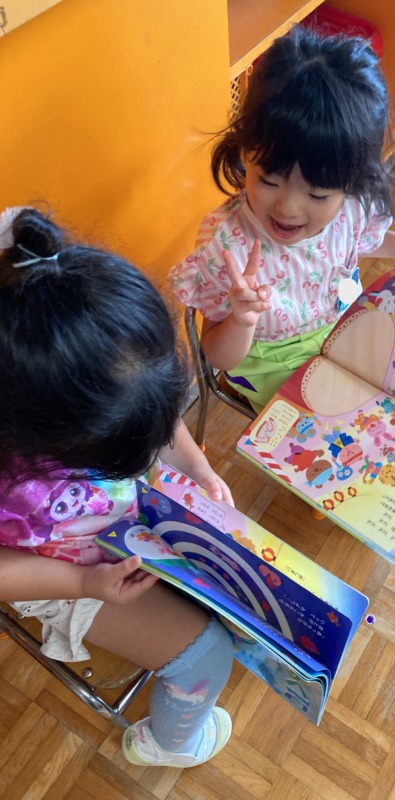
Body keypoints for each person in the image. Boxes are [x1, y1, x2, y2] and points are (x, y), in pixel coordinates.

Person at [0, 206, 235, 769]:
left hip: (127, 528)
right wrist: (82, 581)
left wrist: (198, 470)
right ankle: (167, 745)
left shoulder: (104, 368)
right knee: (208, 658)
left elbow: (153, 419)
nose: (149, 443)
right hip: (59, 575)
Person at [170, 26, 395, 413]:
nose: (288, 208)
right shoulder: (226, 246)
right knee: (341, 425)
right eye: (268, 181)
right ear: (244, 153)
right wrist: (242, 320)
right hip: (268, 360)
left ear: (352, 181)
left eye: (317, 195)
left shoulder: (350, 206)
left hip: (340, 328)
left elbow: (356, 240)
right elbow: (218, 358)